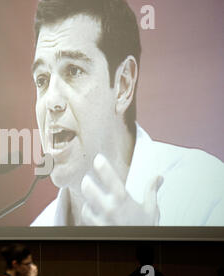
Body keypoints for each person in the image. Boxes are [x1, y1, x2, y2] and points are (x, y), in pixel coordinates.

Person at [30, 0, 224, 226]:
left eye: (73, 71)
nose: (51, 100)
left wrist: (142, 244)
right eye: (42, 80)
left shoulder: (205, 189)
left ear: (123, 85)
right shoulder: (38, 229)